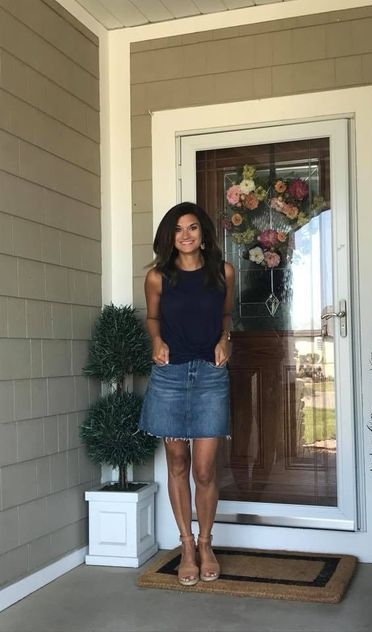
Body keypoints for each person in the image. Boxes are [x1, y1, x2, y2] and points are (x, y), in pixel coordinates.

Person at [138, 201, 234, 587]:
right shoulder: (158, 277)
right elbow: (152, 317)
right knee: (177, 464)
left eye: (193, 227)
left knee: (205, 469)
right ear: (170, 237)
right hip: (170, 378)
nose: (186, 235)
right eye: (179, 230)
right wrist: (156, 341)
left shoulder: (223, 273)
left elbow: (226, 316)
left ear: (203, 233)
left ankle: (208, 543)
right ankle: (187, 546)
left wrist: (226, 340)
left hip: (211, 377)